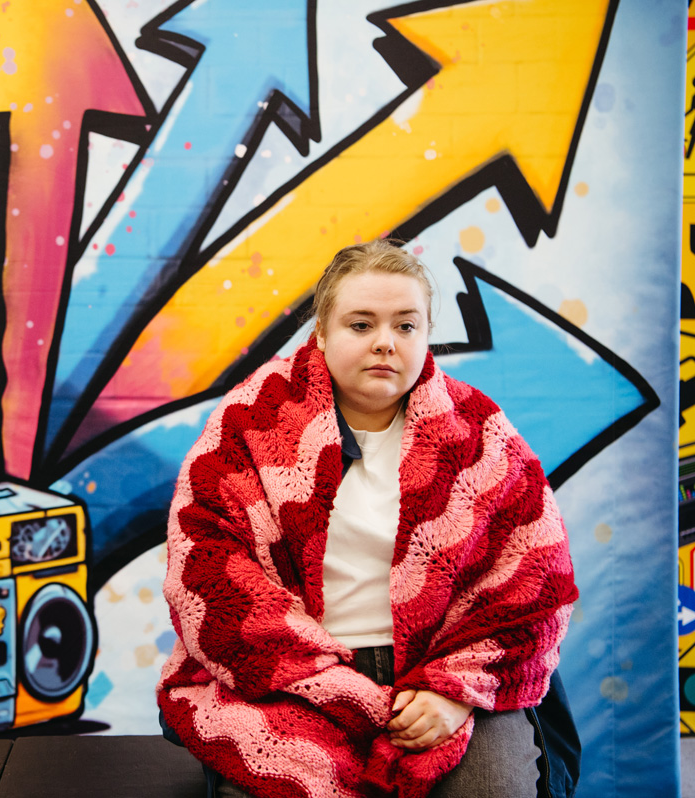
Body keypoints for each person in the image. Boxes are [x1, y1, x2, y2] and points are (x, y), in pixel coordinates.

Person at [157, 239, 580, 798]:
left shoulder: (478, 434)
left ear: (426, 334)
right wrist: (333, 688)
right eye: (361, 325)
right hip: (290, 680)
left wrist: (454, 692)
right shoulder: (249, 424)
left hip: (441, 676)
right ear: (321, 333)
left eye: (405, 326)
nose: (385, 342)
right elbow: (207, 571)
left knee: (491, 790)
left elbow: (536, 580)